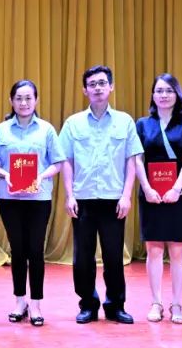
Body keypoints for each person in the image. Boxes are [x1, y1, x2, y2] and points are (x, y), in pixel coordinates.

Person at [59, 65, 143, 325]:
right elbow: (66, 161)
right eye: (92, 84)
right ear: (85, 90)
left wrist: (126, 196)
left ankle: (116, 305)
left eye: (102, 83)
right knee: (82, 258)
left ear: (111, 87)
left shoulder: (124, 121)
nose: (97, 88)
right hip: (83, 199)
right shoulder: (73, 123)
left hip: (113, 199)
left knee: (114, 257)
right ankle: (88, 304)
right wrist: (69, 195)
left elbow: (132, 159)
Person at [0, 80, 65, 326]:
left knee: (35, 250)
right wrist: (6, 174)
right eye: (19, 98)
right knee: (17, 250)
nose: (23, 103)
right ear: (11, 101)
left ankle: (36, 304)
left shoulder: (46, 130)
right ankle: (19, 301)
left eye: (28, 98)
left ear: (36, 100)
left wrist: (41, 176)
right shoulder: (1, 130)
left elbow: (58, 162)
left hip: (38, 199)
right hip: (9, 198)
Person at [134, 74, 182, 324]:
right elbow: (137, 158)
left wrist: (176, 188)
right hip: (150, 193)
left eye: (169, 90)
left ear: (177, 94)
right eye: (159, 91)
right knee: (153, 249)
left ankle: (177, 304)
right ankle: (156, 303)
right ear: (153, 95)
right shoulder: (143, 124)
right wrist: (146, 188)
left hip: (179, 193)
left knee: (178, 249)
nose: (164, 95)